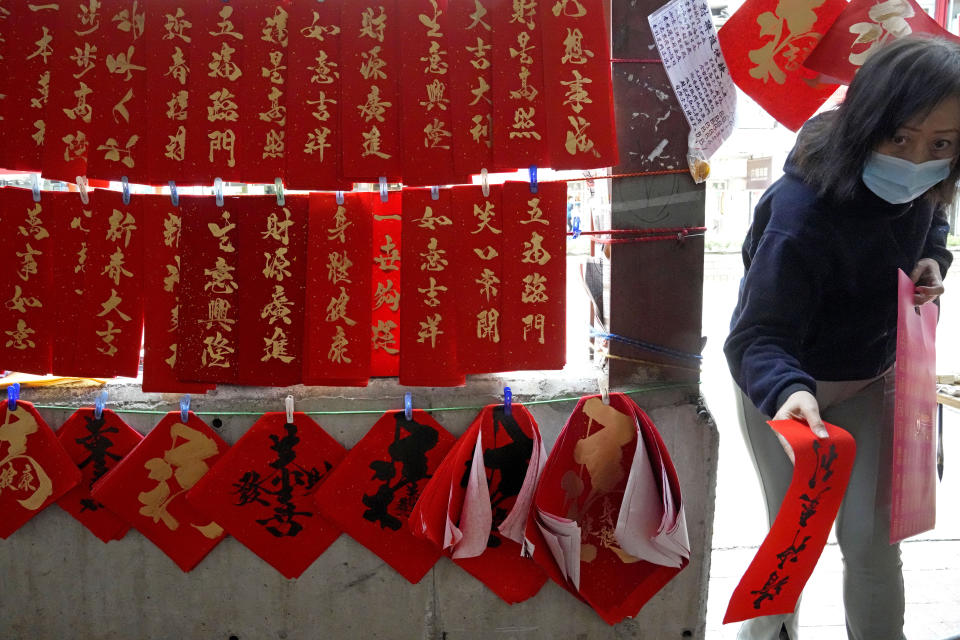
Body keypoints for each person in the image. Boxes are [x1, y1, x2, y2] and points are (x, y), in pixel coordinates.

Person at [723, 36, 958, 640]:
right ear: (865, 124)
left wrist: (932, 261)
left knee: (874, 544)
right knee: (791, 546)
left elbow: (934, 217)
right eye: (899, 138)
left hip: (870, 379)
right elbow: (757, 336)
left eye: (942, 146)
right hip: (785, 395)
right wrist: (786, 391)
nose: (916, 160)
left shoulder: (925, 186)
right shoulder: (802, 213)